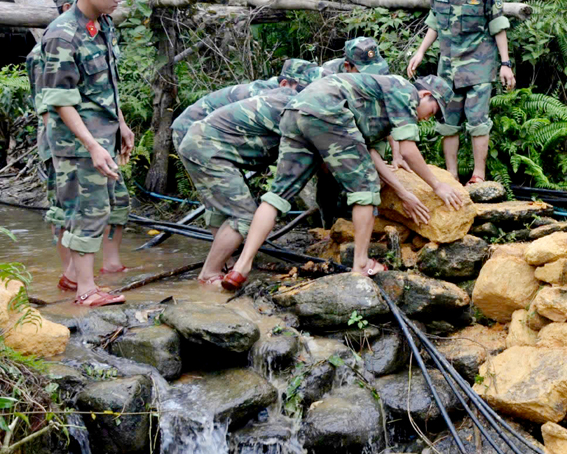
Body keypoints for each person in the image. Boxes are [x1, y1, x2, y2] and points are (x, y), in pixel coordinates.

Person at [221, 74, 467, 289]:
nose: (427, 120)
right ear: (425, 94)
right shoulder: (404, 90)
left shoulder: (376, 98)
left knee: (278, 195)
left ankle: (241, 266)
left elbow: (367, 153)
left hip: (296, 112)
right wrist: (437, 185)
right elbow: (409, 150)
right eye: (432, 112)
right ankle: (360, 263)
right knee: (365, 190)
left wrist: (403, 191)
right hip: (327, 112)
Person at [38, 0, 136, 307]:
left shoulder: (103, 25)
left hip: (103, 136)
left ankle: (75, 280)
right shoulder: (63, 35)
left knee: (104, 207)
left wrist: (122, 125)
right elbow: (60, 101)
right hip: (78, 143)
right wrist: (92, 144)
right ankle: (86, 292)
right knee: (88, 210)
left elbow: (106, 85)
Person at [177, 71, 313, 284]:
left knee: (222, 206)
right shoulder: (288, 106)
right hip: (206, 146)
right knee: (245, 215)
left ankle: (227, 265)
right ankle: (209, 275)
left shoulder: (277, 96)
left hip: (202, 142)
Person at [406, 0, 516, 184]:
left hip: (479, 64)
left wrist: (505, 63)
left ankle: (478, 175)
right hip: (449, 66)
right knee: (448, 122)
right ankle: (451, 176)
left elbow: (498, 24)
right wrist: (421, 51)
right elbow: (435, 21)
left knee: (478, 122)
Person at [27, 0, 77, 289]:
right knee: (61, 209)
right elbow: (46, 109)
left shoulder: (76, 42)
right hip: (58, 143)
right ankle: (68, 273)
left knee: (79, 207)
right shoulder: (42, 52)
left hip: (76, 141)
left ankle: (77, 273)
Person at [170, 58, 320, 149]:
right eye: (301, 89)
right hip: (189, 129)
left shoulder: (270, 91)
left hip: (207, 129)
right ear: (284, 83)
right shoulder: (262, 96)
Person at [320, 36, 388, 76]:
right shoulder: (329, 74)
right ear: (347, 66)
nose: (371, 77)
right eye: (364, 73)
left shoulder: (382, 72)